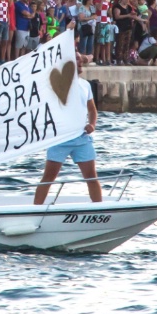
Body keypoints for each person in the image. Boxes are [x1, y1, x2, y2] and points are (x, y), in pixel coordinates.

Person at [34, 51, 101, 205]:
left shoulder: (85, 85)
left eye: (80, 59)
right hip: (61, 138)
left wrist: (92, 124)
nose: (80, 62)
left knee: (91, 176)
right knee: (49, 178)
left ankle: (100, 208)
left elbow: (92, 110)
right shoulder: (59, 84)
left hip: (81, 138)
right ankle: (35, 209)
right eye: (76, 59)